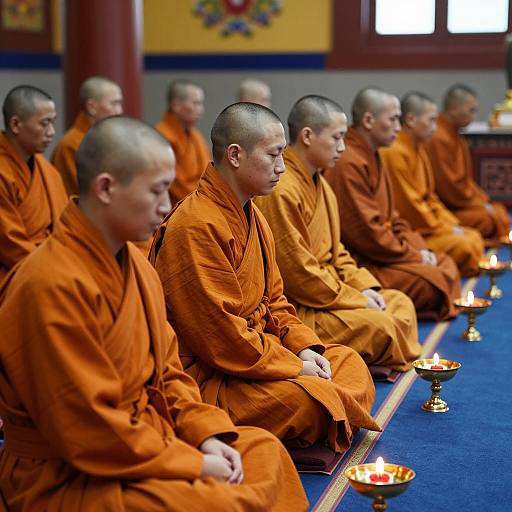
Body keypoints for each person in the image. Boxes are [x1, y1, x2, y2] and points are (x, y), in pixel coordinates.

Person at [0, 116, 308, 511]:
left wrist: (203, 434)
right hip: (72, 471)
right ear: (107, 188)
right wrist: (192, 463)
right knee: (218, 501)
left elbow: (168, 372)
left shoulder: (137, 264)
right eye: (157, 191)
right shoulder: (48, 284)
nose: (167, 207)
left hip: (149, 435)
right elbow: (85, 428)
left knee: (263, 451)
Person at [150, 103, 380, 462]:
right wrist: (292, 367)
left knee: (347, 362)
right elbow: (220, 337)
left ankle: (330, 405)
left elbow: (277, 300)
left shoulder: (253, 215)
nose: (282, 167)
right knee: (307, 401)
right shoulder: (195, 225)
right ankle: (326, 409)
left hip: (264, 353)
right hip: (216, 375)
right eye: (274, 154)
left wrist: (304, 348)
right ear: (236, 155)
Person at [255, 95, 421, 375]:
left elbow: (338, 252)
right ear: (307, 136)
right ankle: (375, 352)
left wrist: (365, 287)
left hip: (332, 291)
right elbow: (298, 274)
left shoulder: (322, 185)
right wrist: (354, 299)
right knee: (383, 325)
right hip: (304, 307)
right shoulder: (283, 191)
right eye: (337, 138)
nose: (342, 148)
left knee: (399, 303)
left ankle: (378, 351)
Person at [324, 89, 462, 320]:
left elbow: (393, 216)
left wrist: (418, 248)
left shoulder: (374, 155)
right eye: (393, 119)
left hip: (386, 252)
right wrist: (412, 255)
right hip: (365, 261)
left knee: (443, 262)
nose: (399, 127)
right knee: (432, 281)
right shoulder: (348, 163)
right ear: (368, 120)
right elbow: (367, 232)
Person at [380, 91, 484, 277]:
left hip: (430, 226)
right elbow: (410, 206)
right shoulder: (394, 153)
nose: (435, 128)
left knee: (473, 237)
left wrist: (452, 224)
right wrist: (445, 228)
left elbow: (431, 197)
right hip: (415, 231)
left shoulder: (418, 149)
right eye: (431, 121)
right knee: (465, 245)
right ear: (411, 120)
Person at [0, 85, 67, 287]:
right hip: (13, 275)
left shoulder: (48, 172)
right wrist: (51, 271)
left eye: (53, 123)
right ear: (16, 124)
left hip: (52, 264)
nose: (52, 132)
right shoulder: (3, 171)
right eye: (44, 124)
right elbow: (10, 243)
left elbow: (66, 226)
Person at [425, 84, 510, 243]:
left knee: (498, 211)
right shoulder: (438, 138)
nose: (473, 115)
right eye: (471, 110)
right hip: (447, 208)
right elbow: (449, 187)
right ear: (455, 108)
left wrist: (482, 201)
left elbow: (464, 181)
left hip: (460, 203)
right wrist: (479, 204)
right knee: (487, 219)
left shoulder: (456, 136)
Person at [51, 76, 123, 196]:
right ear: (92, 107)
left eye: (120, 103)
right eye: (114, 104)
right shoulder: (71, 145)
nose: (119, 111)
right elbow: (86, 195)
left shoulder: (107, 140)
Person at [155, 79, 210, 205]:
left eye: (201, 104)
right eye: (195, 103)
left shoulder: (196, 136)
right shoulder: (162, 137)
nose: (201, 110)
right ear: (175, 105)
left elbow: (209, 173)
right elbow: (175, 185)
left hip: (202, 199)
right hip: (175, 209)